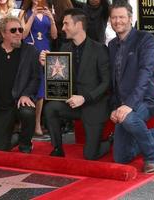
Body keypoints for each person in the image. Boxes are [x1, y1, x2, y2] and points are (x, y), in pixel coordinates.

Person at [40, 8, 112, 160]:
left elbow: (107, 83)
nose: (62, 28)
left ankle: (112, 140)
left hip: (94, 105)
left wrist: (85, 97)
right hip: (73, 105)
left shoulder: (99, 49)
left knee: (90, 156)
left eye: (66, 24)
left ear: (79, 25)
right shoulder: (64, 48)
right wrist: (48, 65)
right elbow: (61, 81)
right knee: (51, 108)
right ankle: (57, 148)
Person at [108, 1, 154, 174]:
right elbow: (114, 81)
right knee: (120, 157)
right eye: (114, 17)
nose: (118, 21)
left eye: (121, 17)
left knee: (129, 118)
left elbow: (145, 74)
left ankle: (152, 156)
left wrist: (129, 105)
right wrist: (114, 108)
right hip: (123, 102)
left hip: (146, 98)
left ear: (130, 18)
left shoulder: (145, 39)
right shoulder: (111, 45)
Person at [0, 16, 41, 153]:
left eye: (20, 30)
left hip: (20, 102)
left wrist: (26, 94)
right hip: (1, 107)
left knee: (28, 112)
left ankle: (25, 144)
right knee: (0, 150)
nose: (18, 33)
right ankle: (18, 137)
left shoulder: (30, 51)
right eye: (13, 30)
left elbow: (36, 77)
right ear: (3, 33)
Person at [19, 0, 57, 138]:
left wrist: (52, 19)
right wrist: (33, 16)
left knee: (42, 87)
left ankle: (37, 124)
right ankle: (25, 123)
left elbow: (54, 35)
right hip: (30, 49)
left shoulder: (48, 11)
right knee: (29, 84)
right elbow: (23, 35)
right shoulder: (24, 12)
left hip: (45, 49)